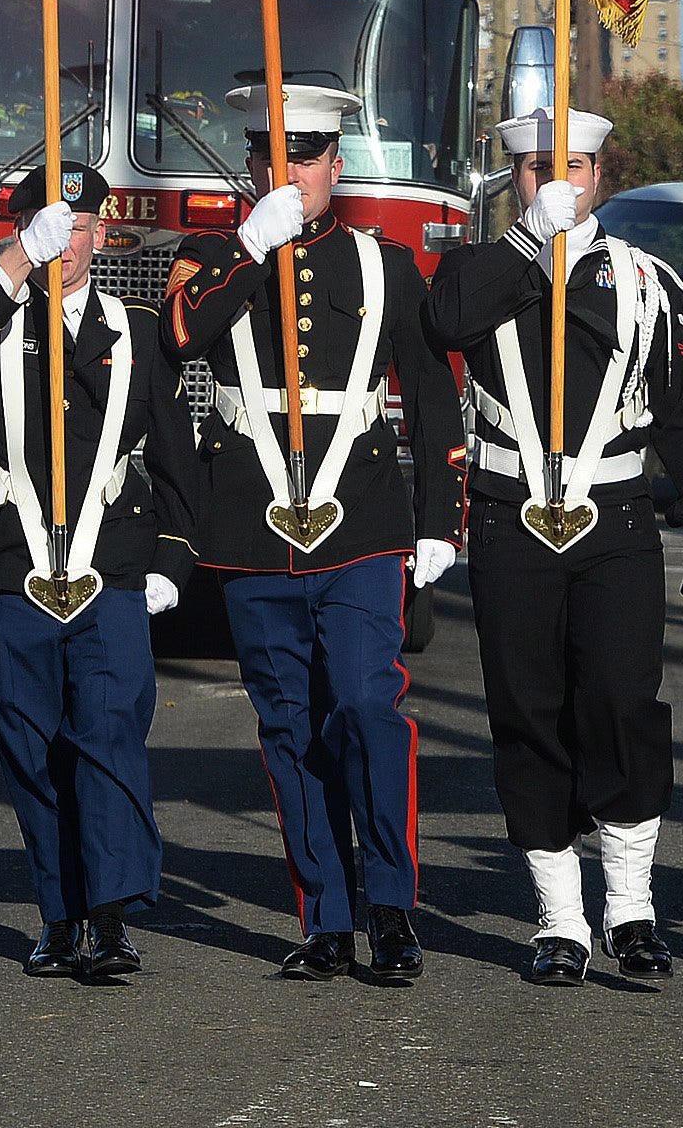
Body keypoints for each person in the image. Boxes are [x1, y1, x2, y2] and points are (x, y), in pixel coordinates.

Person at [160, 81, 466, 986]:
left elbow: (431, 389)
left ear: (337, 164)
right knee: (289, 724)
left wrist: (438, 522)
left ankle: (391, 905)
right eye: (272, 157)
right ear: (254, 163)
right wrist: (253, 246)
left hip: (363, 523)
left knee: (368, 709)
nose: (288, 172)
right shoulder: (210, 254)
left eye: (307, 157)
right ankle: (325, 916)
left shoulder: (387, 263)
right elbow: (179, 338)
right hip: (250, 526)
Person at [424, 105, 683, 986]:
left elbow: (679, 413)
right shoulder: (479, 269)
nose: (558, 182)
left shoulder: (647, 282)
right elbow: (445, 324)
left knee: (622, 704)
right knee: (527, 709)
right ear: (514, 178)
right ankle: (560, 917)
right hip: (511, 514)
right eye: (535, 170)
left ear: (603, 176)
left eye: (577, 168)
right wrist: (529, 242)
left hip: (616, 518)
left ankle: (630, 906)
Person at [0, 161, 201, 983]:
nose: (70, 243)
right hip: (13, 567)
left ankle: (109, 916)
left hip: (108, 564)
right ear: (21, 230)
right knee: (31, 746)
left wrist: (175, 558)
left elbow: (175, 451)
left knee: (109, 735)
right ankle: (59, 914)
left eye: (83, 227)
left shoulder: (136, 328)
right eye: (52, 226)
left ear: (103, 233)